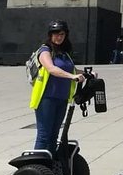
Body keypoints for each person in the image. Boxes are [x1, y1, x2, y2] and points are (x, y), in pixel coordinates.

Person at [30, 20, 86, 151]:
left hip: (62, 98)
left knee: (54, 136)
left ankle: (50, 168)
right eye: (55, 34)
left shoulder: (64, 53)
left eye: (61, 34)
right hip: (46, 98)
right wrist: (72, 77)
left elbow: (72, 70)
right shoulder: (44, 50)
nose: (59, 37)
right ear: (50, 35)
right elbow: (51, 69)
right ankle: (38, 168)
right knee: (44, 136)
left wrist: (87, 73)